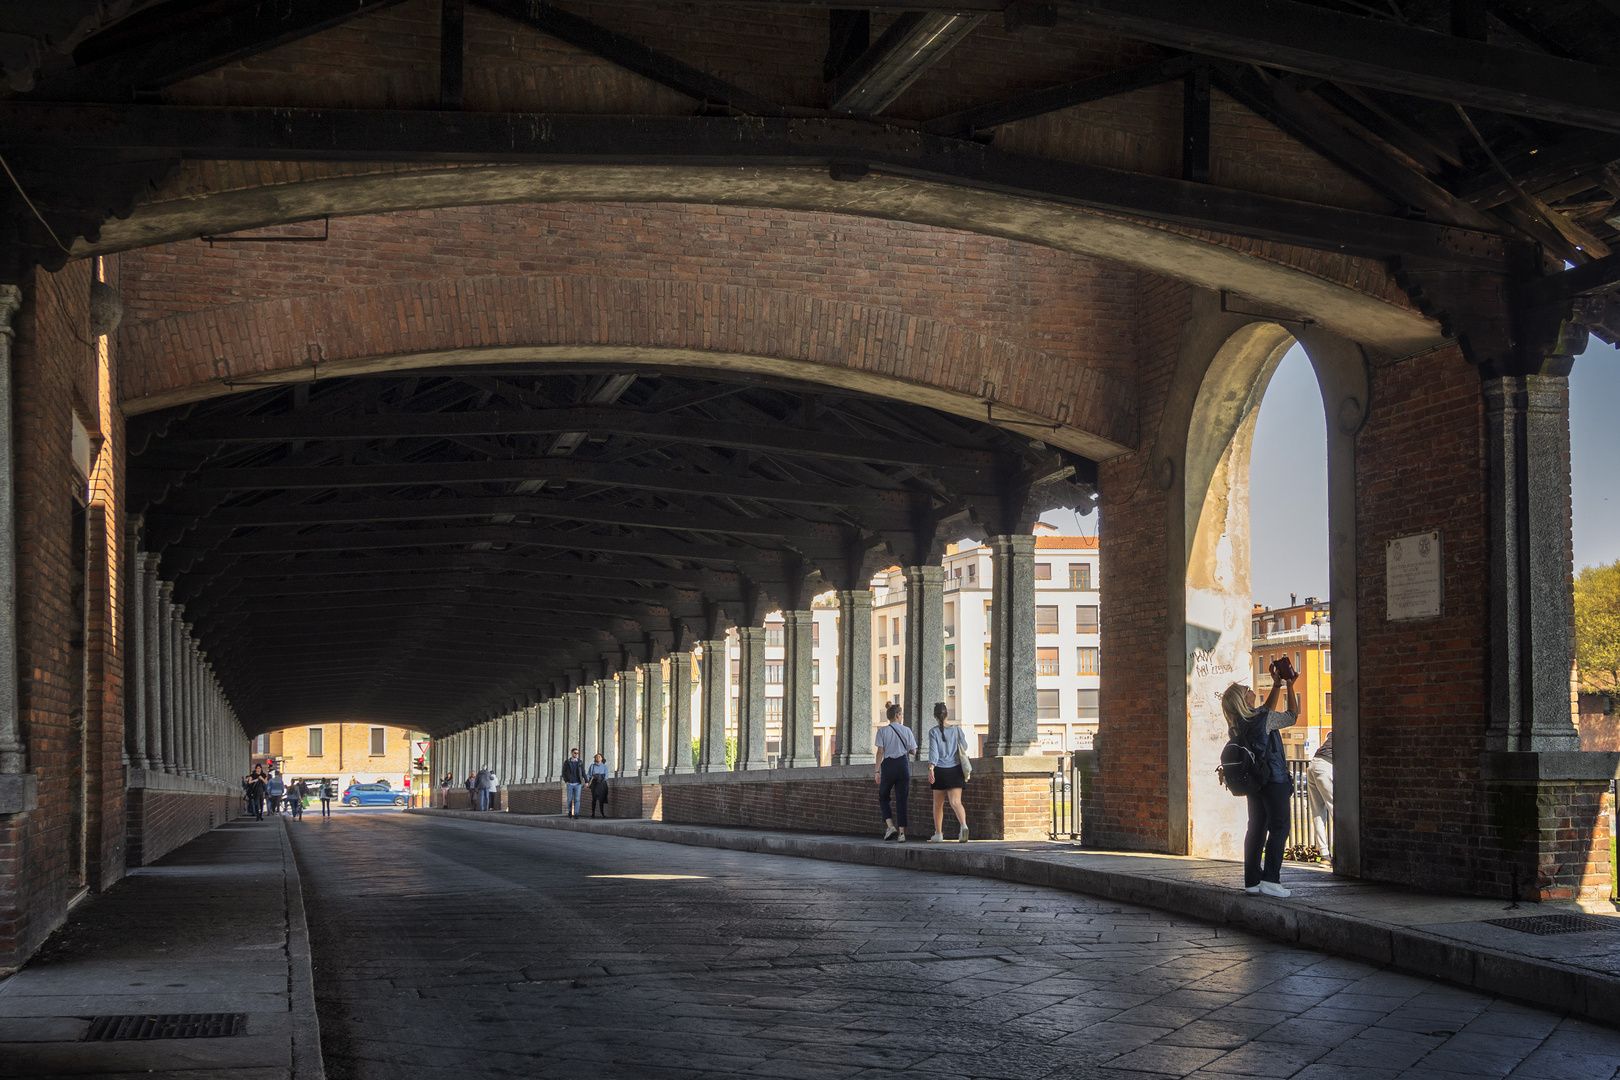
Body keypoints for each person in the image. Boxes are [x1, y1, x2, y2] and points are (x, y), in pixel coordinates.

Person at [1222, 663, 1299, 898]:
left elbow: (1265, 709)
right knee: (1280, 827)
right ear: (1244, 699)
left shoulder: (1238, 724)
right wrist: (1289, 685)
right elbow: (1292, 716)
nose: (1250, 688)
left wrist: (1276, 684)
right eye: (1247, 689)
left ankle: (1252, 881)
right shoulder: (1262, 719)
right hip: (1274, 780)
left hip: (1255, 782)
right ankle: (1271, 880)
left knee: (1256, 828)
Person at [926, 702, 970, 843]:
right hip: (955, 770)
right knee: (956, 802)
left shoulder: (933, 732)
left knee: (938, 804)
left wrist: (931, 769)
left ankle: (938, 834)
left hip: (940, 770)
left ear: (935, 716)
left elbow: (933, 753)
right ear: (947, 715)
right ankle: (963, 826)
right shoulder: (957, 730)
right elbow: (964, 746)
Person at [874, 702, 918, 842]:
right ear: (898, 715)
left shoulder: (882, 731)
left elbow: (880, 752)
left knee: (883, 796)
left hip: (888, 765)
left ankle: (890, 825)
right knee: (901, 798)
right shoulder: (907, 730)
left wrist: (877, 771)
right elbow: (913, 751)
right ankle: (902, 834)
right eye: (902, 714)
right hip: (902, 764)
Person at [1307, 730, 1334, 858]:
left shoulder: (1334, 733)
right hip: (1326, 766)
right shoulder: (1352, 732)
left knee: (1317, 811)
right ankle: (1344, 853)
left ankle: (1324, 855)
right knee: (1336, 810)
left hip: (1314, 764)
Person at [561, 749, 586, 818]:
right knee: (569, 799)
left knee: (577, 799)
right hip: (570, 783)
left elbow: (583, 772)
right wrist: (566, 781)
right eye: (575, 753)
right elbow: (563, 772)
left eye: (577, 753)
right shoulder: (567, 762)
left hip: (578, 783)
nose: (576, 754)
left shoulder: (580, 762)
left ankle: (576, 813)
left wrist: (586, 781)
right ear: (572, 753)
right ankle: (570, 811)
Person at [587, 753, 610, 818]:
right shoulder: (592, 766)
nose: (598, 758)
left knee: (602, 799)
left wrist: (602, 780)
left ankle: (602, 813)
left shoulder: (604, 766)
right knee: (594, 798)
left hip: (602, 783)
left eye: (599, 757)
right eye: (596, 757)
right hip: (595, 783)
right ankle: (593, 813)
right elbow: (589, 775)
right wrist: (588, 781)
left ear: (602, 758)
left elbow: (606, 775)